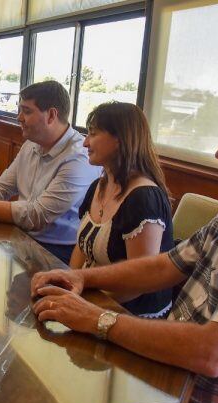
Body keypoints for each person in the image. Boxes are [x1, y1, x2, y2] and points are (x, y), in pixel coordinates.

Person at [30, 94, 218, 403]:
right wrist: (81, 277)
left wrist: (96, 318)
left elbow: (213, 353)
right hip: (170, 382)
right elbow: (168, 264)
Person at [0, 80, 101, 264]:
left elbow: (37, 215)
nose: (19, 118)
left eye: (27, 111)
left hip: (58, 252)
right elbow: (1, 187)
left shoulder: (79, 158)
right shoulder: (32, 143)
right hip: (21, 237)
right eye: (19, 110)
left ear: (52, 115)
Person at [73, 102, 174, 318]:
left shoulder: (144, 198)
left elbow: (137, 283)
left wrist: (81, 303)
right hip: (93, 299)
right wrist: (68, 283)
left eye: (93, 134)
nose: (85, 142)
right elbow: (81, 248)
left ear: (120, 139)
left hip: (133, 316)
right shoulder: (98, 186)